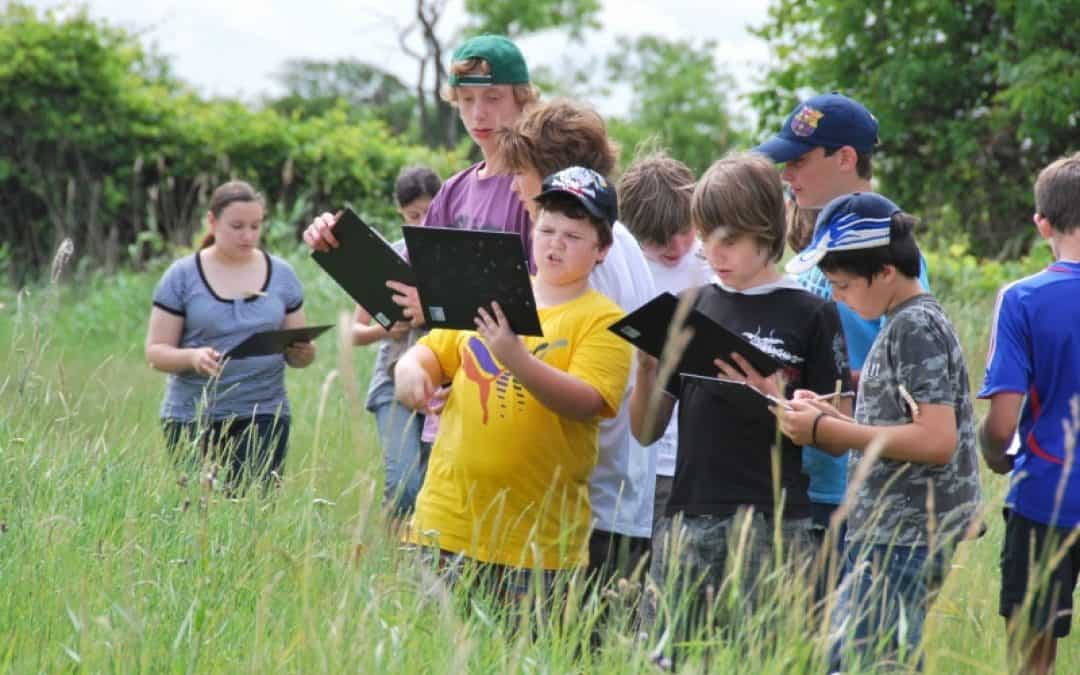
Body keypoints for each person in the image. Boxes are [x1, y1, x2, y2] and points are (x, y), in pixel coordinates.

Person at [629, 154, 851, 659]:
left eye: (727, 239)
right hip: (687, 519)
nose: (712, 252)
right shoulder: (693, 305)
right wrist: (647, 367)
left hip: (774, 524)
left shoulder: (812, 313)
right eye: (705, 237)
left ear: (765, 231)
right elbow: (645, 431)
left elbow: (839, 436)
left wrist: (775, 400)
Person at [302, 34, 539, 471]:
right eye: (466, 100)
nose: (479, 113)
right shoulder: (454, 191)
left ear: (523, 99)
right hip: (448, 399)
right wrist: (337, 244)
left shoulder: (536, 188)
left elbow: (543, 298)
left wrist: (434, 304)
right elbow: (400, 288)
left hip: (515, 401)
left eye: (493, 97)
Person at [394, 167, 632, 597]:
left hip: (538, 542)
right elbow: (430, 352)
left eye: (573, 236)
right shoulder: (491, 290)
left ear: (602, 248)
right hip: (446, 523)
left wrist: (516, 358)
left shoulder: (605, 320)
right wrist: (412, 375)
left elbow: (587, 401)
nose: (555, 243)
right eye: (547, 229)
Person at [777, 192, 982, 671]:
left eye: (843, 286)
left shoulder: (914, 328)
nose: (837, 298)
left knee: (867, 662)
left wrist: (827, 430)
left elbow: (936, 439)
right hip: (887, 531)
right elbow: (900, 433)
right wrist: (829, 417)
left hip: (903, 536)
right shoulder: (903, 322)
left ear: (886, 272)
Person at [755, 92, 931, 561]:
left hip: (852, 488)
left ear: (846, 158)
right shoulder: (818, 246)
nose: (787, 175)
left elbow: (901, 379)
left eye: (800, 160)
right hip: (806, 476)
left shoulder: (884, 248)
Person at [494, 99, 657, 587]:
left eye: (521, 172)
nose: (515, 184)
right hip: (616, 494)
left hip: (591, 500)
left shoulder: (585, 263)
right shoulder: (615, 240)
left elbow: (575, 382)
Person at [978, 152, 1080, 675]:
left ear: (1042, 223)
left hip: (1045, 493)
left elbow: (1001, 424)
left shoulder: (1021, 299)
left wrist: (995, 456)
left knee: (1033, 658)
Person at [145, 180, 316, 490]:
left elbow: (298, 350)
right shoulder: (182, 276)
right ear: (212, 221)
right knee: (198, 512)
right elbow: (155, 353)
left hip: (263, 411)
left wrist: (303, 353)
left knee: (252, 510)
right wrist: (193, 357)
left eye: (255, 225)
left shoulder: (283, 275)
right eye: (237, 226)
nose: (248, 235)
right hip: (192, 414)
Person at [617, 151, 709, 544]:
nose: (674, 246)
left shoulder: (714, 263)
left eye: (682, 230)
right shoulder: (624, 264)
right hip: (637, 451)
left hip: (696, 454)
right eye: (656, 240)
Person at [353, 166, 441, 520]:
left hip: (442, 387)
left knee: (431, 490)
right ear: (400, 214)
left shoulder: (455, 256)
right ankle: (393, 562)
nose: (421, 223)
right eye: (412, 216)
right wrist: (384, 330)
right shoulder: (392, 256)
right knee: (403, 486)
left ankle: (421, 564)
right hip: (392, 383)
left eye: (428, 214)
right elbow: (354, 331)